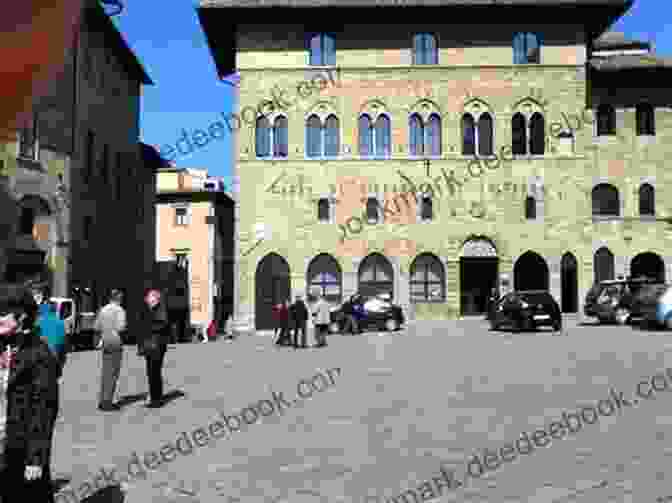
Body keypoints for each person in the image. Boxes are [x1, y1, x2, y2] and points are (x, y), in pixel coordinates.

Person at [0, 283, 59, 503]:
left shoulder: (39, 354)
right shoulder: (4, 346)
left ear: (22, 316)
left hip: (20, 445)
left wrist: (36, 458)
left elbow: (44, 408)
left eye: (2, 313)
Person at [93, 290, 127, 411]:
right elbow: (121, 327)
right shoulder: (120, 310)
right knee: (113, 373)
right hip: (116, 342)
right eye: (121, 298)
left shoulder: (103, 310)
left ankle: (102, 400)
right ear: (118, 299)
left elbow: (96, 326)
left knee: (106, 372)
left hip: (105, 341)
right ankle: (108, 402)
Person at [139, 289, 170, 408]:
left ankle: (156, 400)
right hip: (151, 344)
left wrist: (148, 326)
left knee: (154, 372)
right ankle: (155, 397)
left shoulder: (160, 309)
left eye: (149, 298)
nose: (147, 300)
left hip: (157, 345)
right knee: (151, 372)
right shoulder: (151, 309)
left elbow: (162, 324)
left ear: (155, 299)